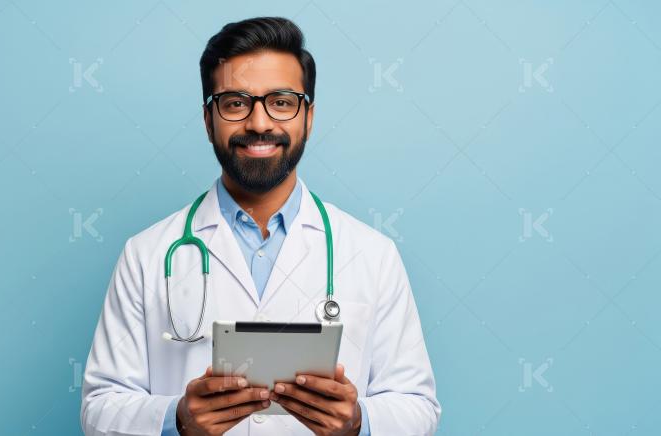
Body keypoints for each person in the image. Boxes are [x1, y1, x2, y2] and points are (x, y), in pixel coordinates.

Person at [81, 16, 440, 436]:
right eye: (235, 103)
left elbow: (418, 406)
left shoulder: (372, 254)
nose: (259, 123)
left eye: (282, 101)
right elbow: (99, 408)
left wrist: (359, 421)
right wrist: (176, 419)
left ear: (308, 116)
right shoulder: (146, 254)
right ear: (207, 119)